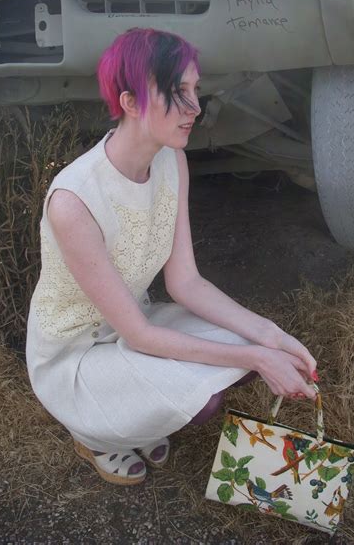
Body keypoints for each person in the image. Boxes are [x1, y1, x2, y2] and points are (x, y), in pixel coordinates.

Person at [26, 28, 318, 486]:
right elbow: (140, 335)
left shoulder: (170, 160)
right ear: (131, 101)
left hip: (127, 323)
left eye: (195, 90)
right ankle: (96, 435)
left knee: (236, 361)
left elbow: (185, 282)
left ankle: (135, 416)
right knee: (208, 396)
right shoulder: (73, 201)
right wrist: (259, 357)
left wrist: (270, 334)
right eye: (179, 92)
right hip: (75, 352)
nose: (196, 107)